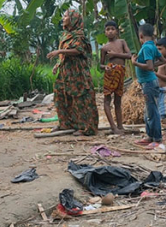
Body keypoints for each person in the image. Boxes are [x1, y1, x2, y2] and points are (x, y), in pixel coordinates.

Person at [47, 8, 98, 136]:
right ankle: (65, 124)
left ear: (73, 19)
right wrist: (57, 65)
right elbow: (64, 55)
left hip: (77, 72)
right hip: (65, 72)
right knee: (60, 96)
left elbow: (78, 50)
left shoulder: (79, 35)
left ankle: (85, 128)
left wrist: (59, 52)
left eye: (65, 16)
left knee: (80, 99)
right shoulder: (65, 35)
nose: (63, 19)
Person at [131, 23, 165, 148]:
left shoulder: (146, 48)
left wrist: (135, 63)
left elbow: (149, 66)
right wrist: (151, 68)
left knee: (152, 112)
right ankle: (150, 136)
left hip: (149, 83)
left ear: (141, 36)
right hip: (150, 82)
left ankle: (157, 138)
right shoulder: (153, 46)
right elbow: (162, 61)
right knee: (148, 112)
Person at [100, 20, 131, 135]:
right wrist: (105, 68)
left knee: (118, 100)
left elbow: (129, 55)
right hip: (110, 73)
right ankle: (113, 127)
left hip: (121, 72)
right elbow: (101, 64)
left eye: (112, 29)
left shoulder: (122, 42)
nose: (110, 31)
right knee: (107, 99)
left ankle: (120, 126)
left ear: (117, 31)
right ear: (105, 32)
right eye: (108, 29)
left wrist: (115, 55)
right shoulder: (104, 48)